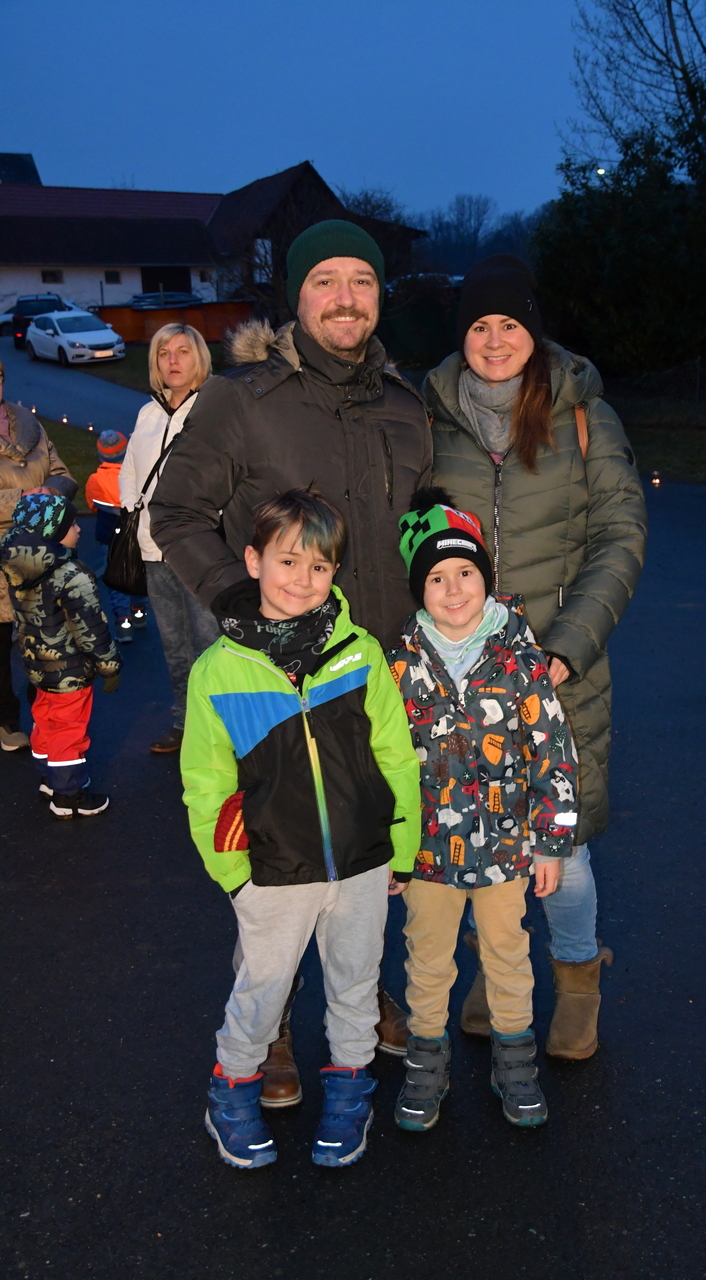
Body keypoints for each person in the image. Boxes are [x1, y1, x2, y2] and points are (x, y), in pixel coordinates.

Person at [150, 219, 434, 1077]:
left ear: (379, 296)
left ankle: (364, 990)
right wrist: (235, 599)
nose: (345, 298)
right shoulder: (242, 399)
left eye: (362, 281)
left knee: (364, 842)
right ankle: (267, 1022)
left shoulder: (406, 406)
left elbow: (421, 524)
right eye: (325, 281)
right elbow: (176, 512)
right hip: (278, 679)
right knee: (275, 856)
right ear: (296, 297)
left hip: (373, 670)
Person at [424, 255, 648, 1060]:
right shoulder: (431, 417)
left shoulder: (584, 416)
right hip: (460, 676)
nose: (493, 341)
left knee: (564, 843)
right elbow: (412, 538)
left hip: (556, 673)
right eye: (478, 326)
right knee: (480, 836)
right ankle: (498, 972)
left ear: (534, 331)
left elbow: (619, 537)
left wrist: (564, 649)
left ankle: (579, 978)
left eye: (509, 325)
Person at [181, 488, 420, 1169]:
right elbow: (205, 783)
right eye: (287, 561)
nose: (302, 579)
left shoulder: (359, 653)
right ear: (253, 561)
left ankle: (349, 1090)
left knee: (355, 984)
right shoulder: (218, 672)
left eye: (319, 566)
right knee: (263, 990)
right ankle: (231, 1090)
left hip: (362, 859)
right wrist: (235, 874)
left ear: (334, 572)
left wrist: (400, 848)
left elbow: (396, 755)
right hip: (272, 871)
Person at [388, 489, 577, 1130]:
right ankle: (426, 1059)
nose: (454, 589)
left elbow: (554, 754)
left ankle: (515, 1058)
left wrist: (551, 842)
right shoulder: (399, 666)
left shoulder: (521, 661)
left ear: (486, 577)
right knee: (427, 958)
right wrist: (389, 847)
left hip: (506, 848)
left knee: (507, 953)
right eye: (436, 578)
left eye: (466, 572)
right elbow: (381, 765)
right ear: (419, 590)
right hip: (428, 855)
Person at [119, 324, 219, 752]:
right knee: (175, 645)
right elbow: (129, 470)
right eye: (164, 353)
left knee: (211, 643)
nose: (173, 360)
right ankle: (185, 721)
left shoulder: (214, 410)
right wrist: (133, 511)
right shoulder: (148, 412)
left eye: (182, 351)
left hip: (199, 548)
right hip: (152, 549)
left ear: (199, 358)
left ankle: (222, 728)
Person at [0, 494, 121, 817]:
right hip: (71, 670)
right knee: (69, 730)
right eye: (72, 524)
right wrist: (109, 666)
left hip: (37, 665)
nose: (79, 530)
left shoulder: (20, 567)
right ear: (52, 533)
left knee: (45, 720)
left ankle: (49, 778)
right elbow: (91, 629)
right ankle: (69, 795)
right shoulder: (72, 574)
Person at [0, 361, 77, 752]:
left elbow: (63, 472)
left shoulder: (27, 422)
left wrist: (51, 490)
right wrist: (24, 498)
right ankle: (6, 721)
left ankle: (45, 719)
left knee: (45, 642)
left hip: (40, 553)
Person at [85, 430, 146, 643]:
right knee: (137, 573)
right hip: (136, 535)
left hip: (109, 536)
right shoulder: (136, 476)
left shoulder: (95, 479)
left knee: (116, 578)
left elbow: (92, 506)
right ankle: (139, 611)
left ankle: (123, 623)